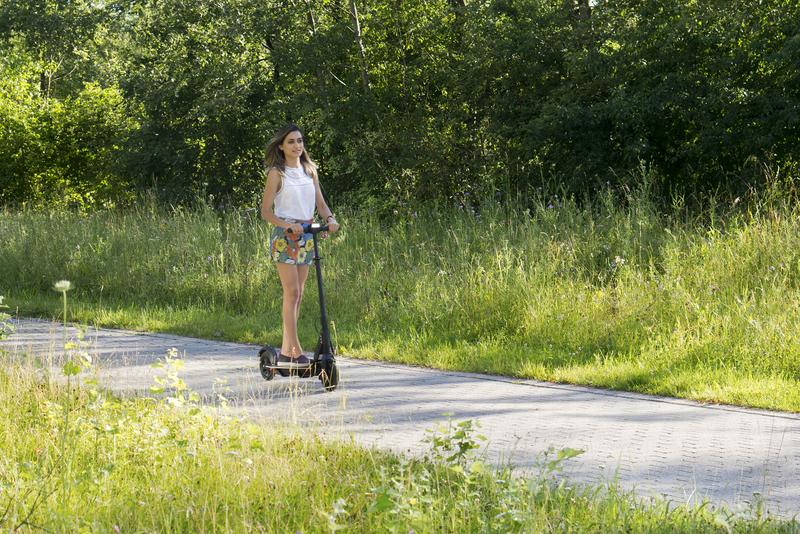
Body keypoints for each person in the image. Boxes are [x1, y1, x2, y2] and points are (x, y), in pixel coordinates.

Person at [260, 124, 339, 367]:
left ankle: (286, 351)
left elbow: (321, 204)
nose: (297, 145)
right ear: (282, 146)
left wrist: (330, 220)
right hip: (286, 237)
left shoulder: (309, 170)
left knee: (299, 294)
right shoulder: (277, 173)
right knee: (291, 292)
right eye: (291, 141)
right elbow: (265, 212)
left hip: (306, 234)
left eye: (300, 141)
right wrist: (286, 225)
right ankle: (294, 350)